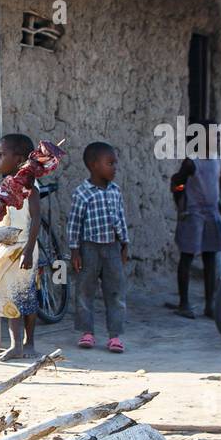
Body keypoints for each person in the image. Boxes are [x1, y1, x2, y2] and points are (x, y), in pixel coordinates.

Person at [0, 134, 40, 360]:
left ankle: (28, 343)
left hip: (24, 249)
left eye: (1, 156)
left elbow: (35, 221)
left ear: (20, 159)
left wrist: (29, 251)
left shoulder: (29, 187)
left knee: (27, 297)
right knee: (12, 297)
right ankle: (16, 345)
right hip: (9, 249)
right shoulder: (6, 186)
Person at [68, 142, 129, 353]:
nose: (115, 168)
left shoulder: (115, 191)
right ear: (94, 166)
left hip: (112, 247)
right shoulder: (82, 193)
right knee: (85, 291)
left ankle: (115, 336)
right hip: (89, 249)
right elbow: (74, 223)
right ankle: (87, 332)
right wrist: (75, 251)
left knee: (116, 292)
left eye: (115, 163)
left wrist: (125, 245)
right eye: (110, 163)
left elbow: (120, 219)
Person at [168, 149, 221, 319]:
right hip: (193, 214)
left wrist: (220, 204)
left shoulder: (217, 159)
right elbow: (176, 182)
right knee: (187, 257)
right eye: (212, 136)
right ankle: (184, 303)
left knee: (210, 258)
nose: (216, 140)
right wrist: (181, 203)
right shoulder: (192, 162)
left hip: (211, 213)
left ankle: (210, 305)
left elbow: (216, 184)